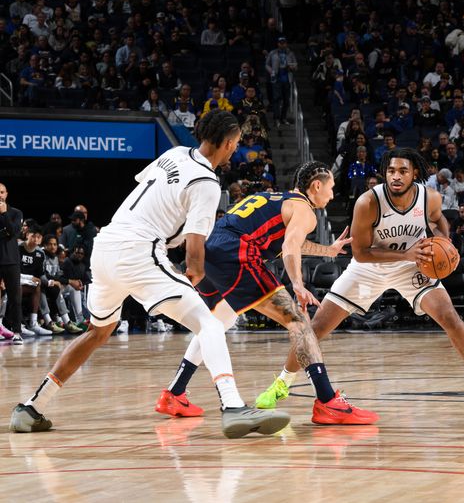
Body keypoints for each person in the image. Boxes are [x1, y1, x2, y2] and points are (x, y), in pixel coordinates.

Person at [10, 110, 289, 439]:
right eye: (236, 144)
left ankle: (31, 407)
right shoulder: (207, 183)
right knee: (210, 323)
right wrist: (202, 283)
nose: (235, 149)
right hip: (139, 250)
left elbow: (153, 199)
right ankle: (233, 407)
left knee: (97, 332)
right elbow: (195, 259)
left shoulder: (174, 154)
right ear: (228, 144)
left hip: (107, 244)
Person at [254, 148, 464, 414]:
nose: (396, 176)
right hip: (368, 267)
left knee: (450, 317)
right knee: (317, 327)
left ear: (414, 173)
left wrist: (442, 242)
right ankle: (281, 383)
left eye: (403, 171)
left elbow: (438, 222)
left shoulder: (430, 198)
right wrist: (406, 253)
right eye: (391, 171)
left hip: (411, 266)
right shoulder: (368, 202)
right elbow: (361, 252)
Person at [155, 161, 378, 425]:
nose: (331, 195)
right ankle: (328, 401)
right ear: (316, 185)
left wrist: (327, 250)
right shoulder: (305, 210)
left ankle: (174, 393)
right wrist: (297, 284)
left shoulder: (274, 198)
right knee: (298, 322)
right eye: (330, 188)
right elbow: (291, 245)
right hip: (236, 253)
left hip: (211, 251)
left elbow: (290, 242)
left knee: (216, 323)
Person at [0, 182, 23, 343]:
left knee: (15, 298)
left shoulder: (15, 213)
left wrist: (3, 214)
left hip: (11, 261)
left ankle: (17, 332)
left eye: (1, 192)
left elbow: (13, 231)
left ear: (6, 194)